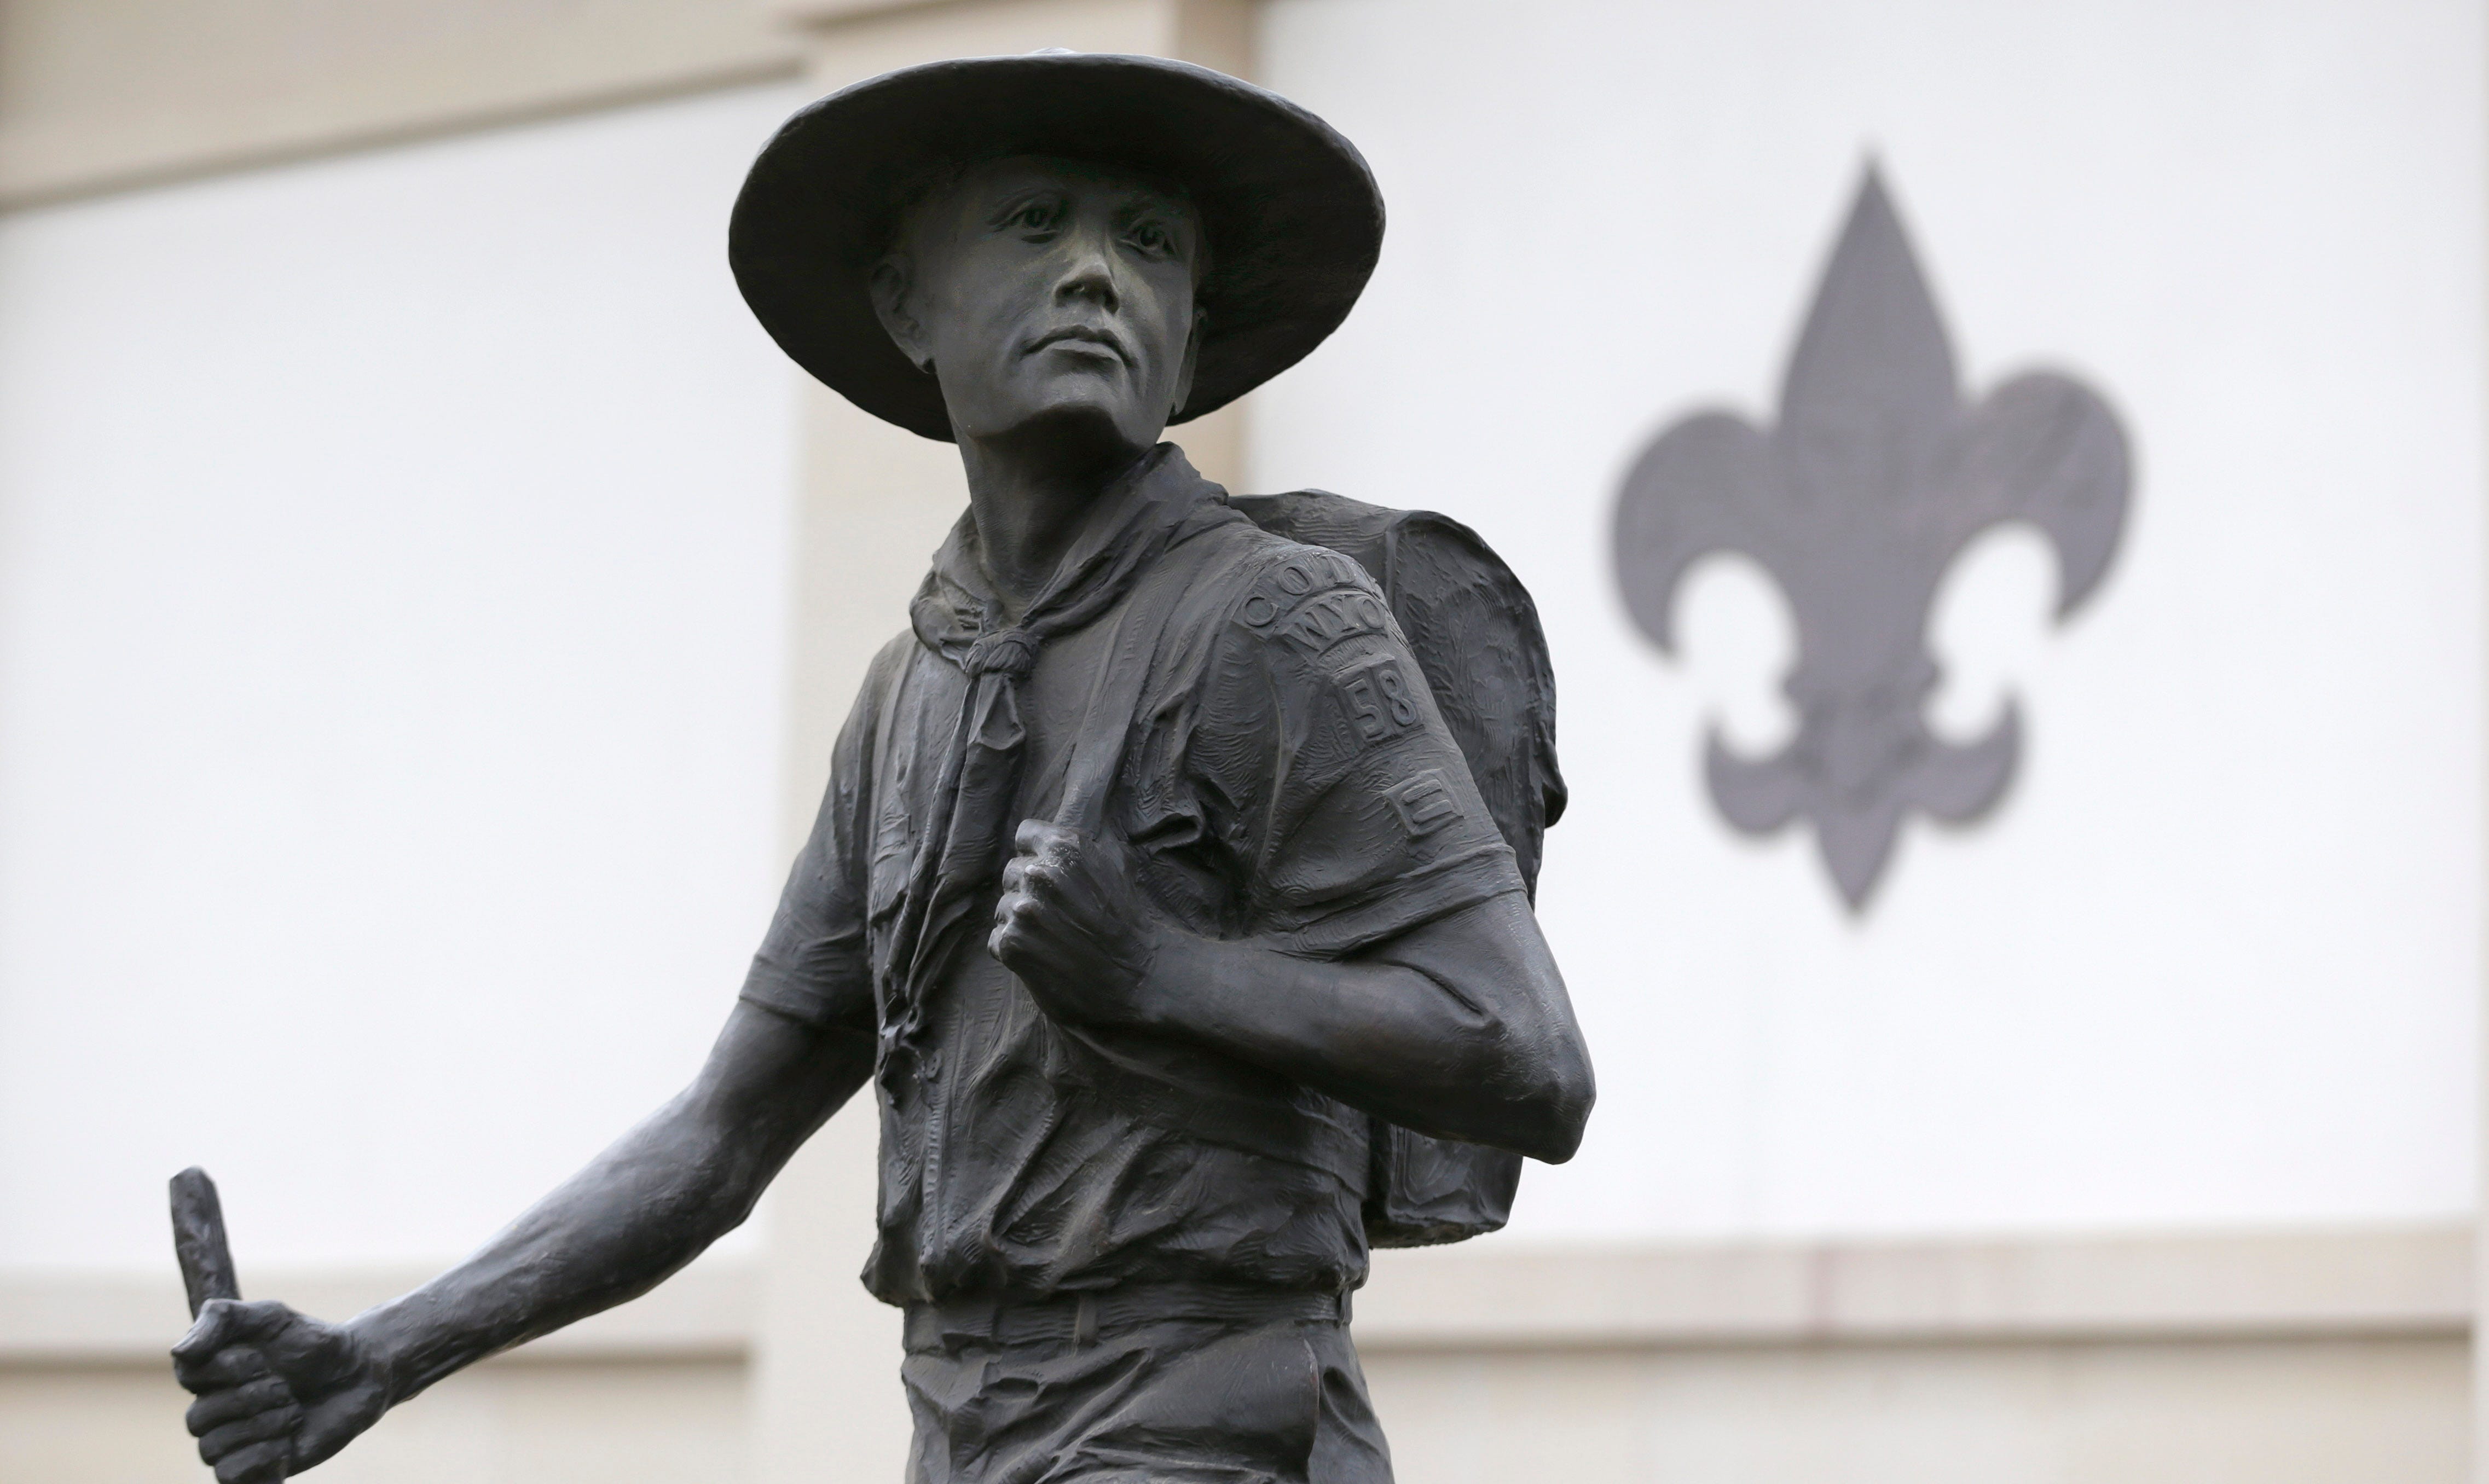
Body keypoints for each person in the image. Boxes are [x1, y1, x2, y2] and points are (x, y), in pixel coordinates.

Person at [172, 51, 1593, 1484]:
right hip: (961, 1431)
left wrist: (1165, 975)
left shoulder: (1280, 623)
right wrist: (381, 1352)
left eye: (1148, 243)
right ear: (907, 303)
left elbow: (1527, 1059)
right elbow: (719, 1140)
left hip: (1203, 1425)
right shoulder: (912, 692)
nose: (1097, 272)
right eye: (1036, 223)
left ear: (1192, 327)